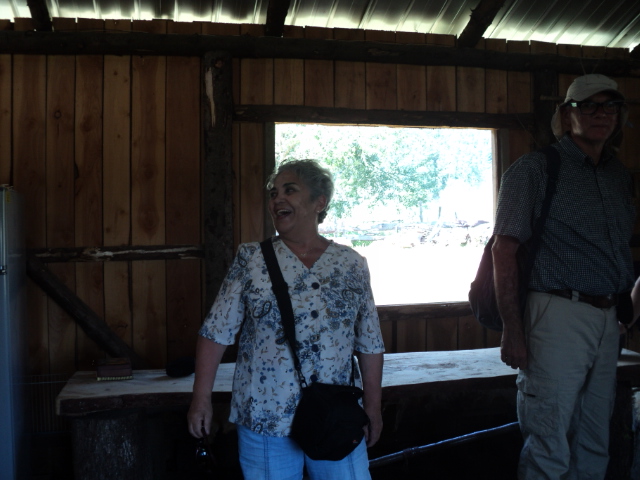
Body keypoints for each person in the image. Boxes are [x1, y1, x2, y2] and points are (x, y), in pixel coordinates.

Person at [187, 159, 385, 480]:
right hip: (265, 414)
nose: (277, 198)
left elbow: (370, 342)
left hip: (336, 415)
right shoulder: (251, 259)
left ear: (319, 202)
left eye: (289, 190)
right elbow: (216, 332)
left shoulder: (351, 264)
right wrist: (201, 399)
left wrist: (373, 407)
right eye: (273, 193)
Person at [492, 73, 635, 479]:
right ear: (566, 115)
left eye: (610, 106)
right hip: (556, 314)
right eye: (588, 105)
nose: (600, 114)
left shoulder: (617, 175)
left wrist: (621, 315)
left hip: (608, 318)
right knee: (549, 438)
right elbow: (503, 250)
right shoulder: (535, 169)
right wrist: (513, 330)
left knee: (595, 438)